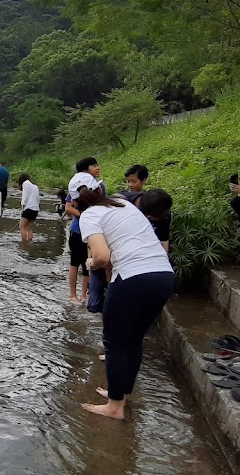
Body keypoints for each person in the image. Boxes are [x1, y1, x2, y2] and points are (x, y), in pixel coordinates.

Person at [75, 174, 175, 420]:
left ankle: (115, 406)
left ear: (77, 200)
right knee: (133, 340)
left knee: (115, 344)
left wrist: (90, 262)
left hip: (133, 277)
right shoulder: (123, 203)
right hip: (163, 275)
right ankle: (120, 393)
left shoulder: (89, 215)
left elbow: (101, 256)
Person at [66, 157, 104, 303]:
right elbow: (69, 208)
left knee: (88, 263)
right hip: (78, 230)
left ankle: (84, 295)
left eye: (97, 165)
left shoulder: (99, 186)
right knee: (75, 262)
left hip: (95, 232)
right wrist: (86, 215)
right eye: (94, 166)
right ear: (85, 170)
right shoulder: (75, 186)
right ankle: (73, 295)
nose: (97, 168)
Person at [120, 165, 171, 252]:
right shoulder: (123, 201)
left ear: (143, 180)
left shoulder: (157, 204)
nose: (130, 185)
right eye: (128, 181)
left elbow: (163, 238)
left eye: (133, 181)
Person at [17, 172, 40, 244]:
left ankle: (24, 243)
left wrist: (22, 208)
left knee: (21, 227)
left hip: (28, 208)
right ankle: (29, 243)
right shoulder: (35, 186)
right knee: (29, 228)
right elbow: (38, 198)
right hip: (35, 208)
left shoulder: (25, 184)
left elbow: (25, 197)